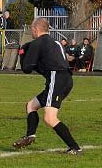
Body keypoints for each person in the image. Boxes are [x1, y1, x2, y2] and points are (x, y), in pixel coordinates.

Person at [13, 18, 82, 154]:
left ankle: (75, 148)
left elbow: (26, 68)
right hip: (64, 78)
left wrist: (22, 53)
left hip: (57, 79)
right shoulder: (55, 42)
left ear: (35, 29)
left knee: (50, 118)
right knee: (31, 106)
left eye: (32, 29)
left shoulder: (38, 42)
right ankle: (30, 136)